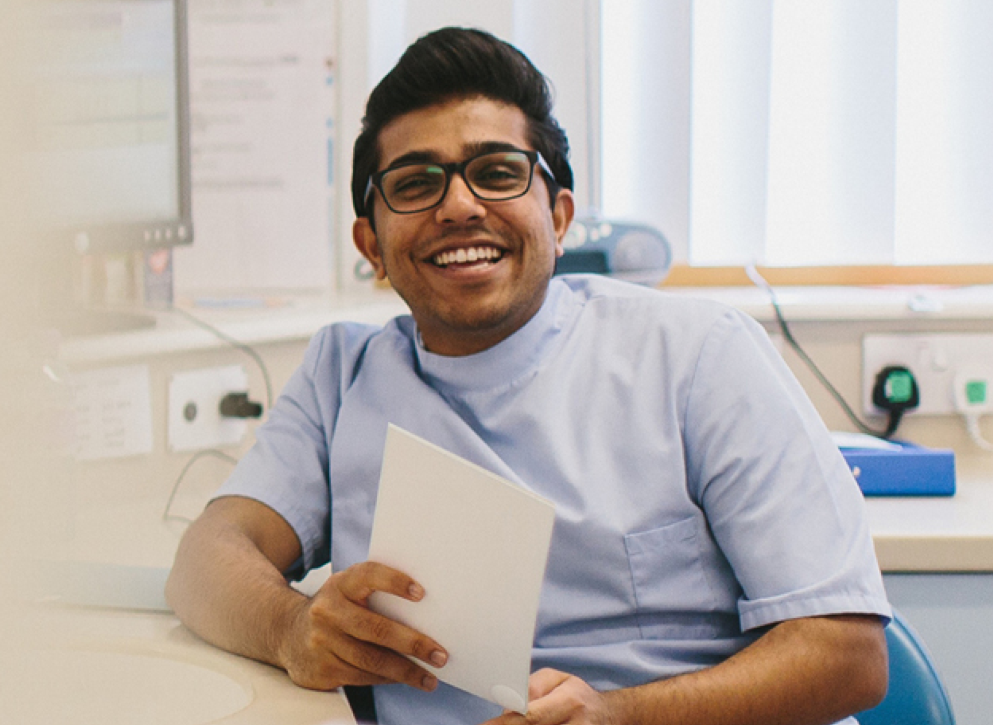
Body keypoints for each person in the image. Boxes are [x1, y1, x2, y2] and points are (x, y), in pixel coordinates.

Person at [166, 27, 891, 725]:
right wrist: (291, 627)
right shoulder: (342, 375)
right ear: (372, 246)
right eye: (416, 183)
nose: (458, 206)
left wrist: (619, 716)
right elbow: (206, 558)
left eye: (498, 172)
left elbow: (847, 655)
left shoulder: (698, 356)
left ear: (560, 215)